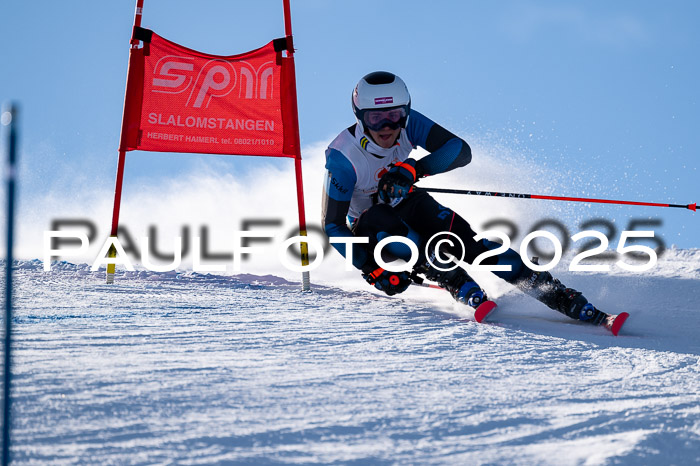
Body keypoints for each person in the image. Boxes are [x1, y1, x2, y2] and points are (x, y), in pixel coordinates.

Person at [321, 71, 608, 326]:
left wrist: (414, 169)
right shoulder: (343, 158)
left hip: (408, 202)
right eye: (375, 118)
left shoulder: (410, 124)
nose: (386, 126)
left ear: (405, 112)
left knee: (471, 244)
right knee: (387, 224)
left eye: (393, 115)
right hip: (373, 229)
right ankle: (457, 282)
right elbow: (333, 225)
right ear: (360, 117)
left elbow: (459, 151)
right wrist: (369, 267)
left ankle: (556, 293)